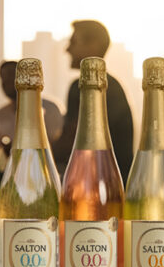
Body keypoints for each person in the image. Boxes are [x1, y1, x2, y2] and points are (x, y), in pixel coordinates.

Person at [51, 20, 134, 179]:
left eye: (73, 42)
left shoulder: (83, 88)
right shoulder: (112, 86)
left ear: (93, 45)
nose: (67, 49)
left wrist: (37, 154)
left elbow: (71, 140)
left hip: (98, 182)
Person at [0, 60, 64, 170]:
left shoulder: (50, 109)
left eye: (11, 77)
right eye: (3, 79)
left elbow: (59, 149)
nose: (7, 83)